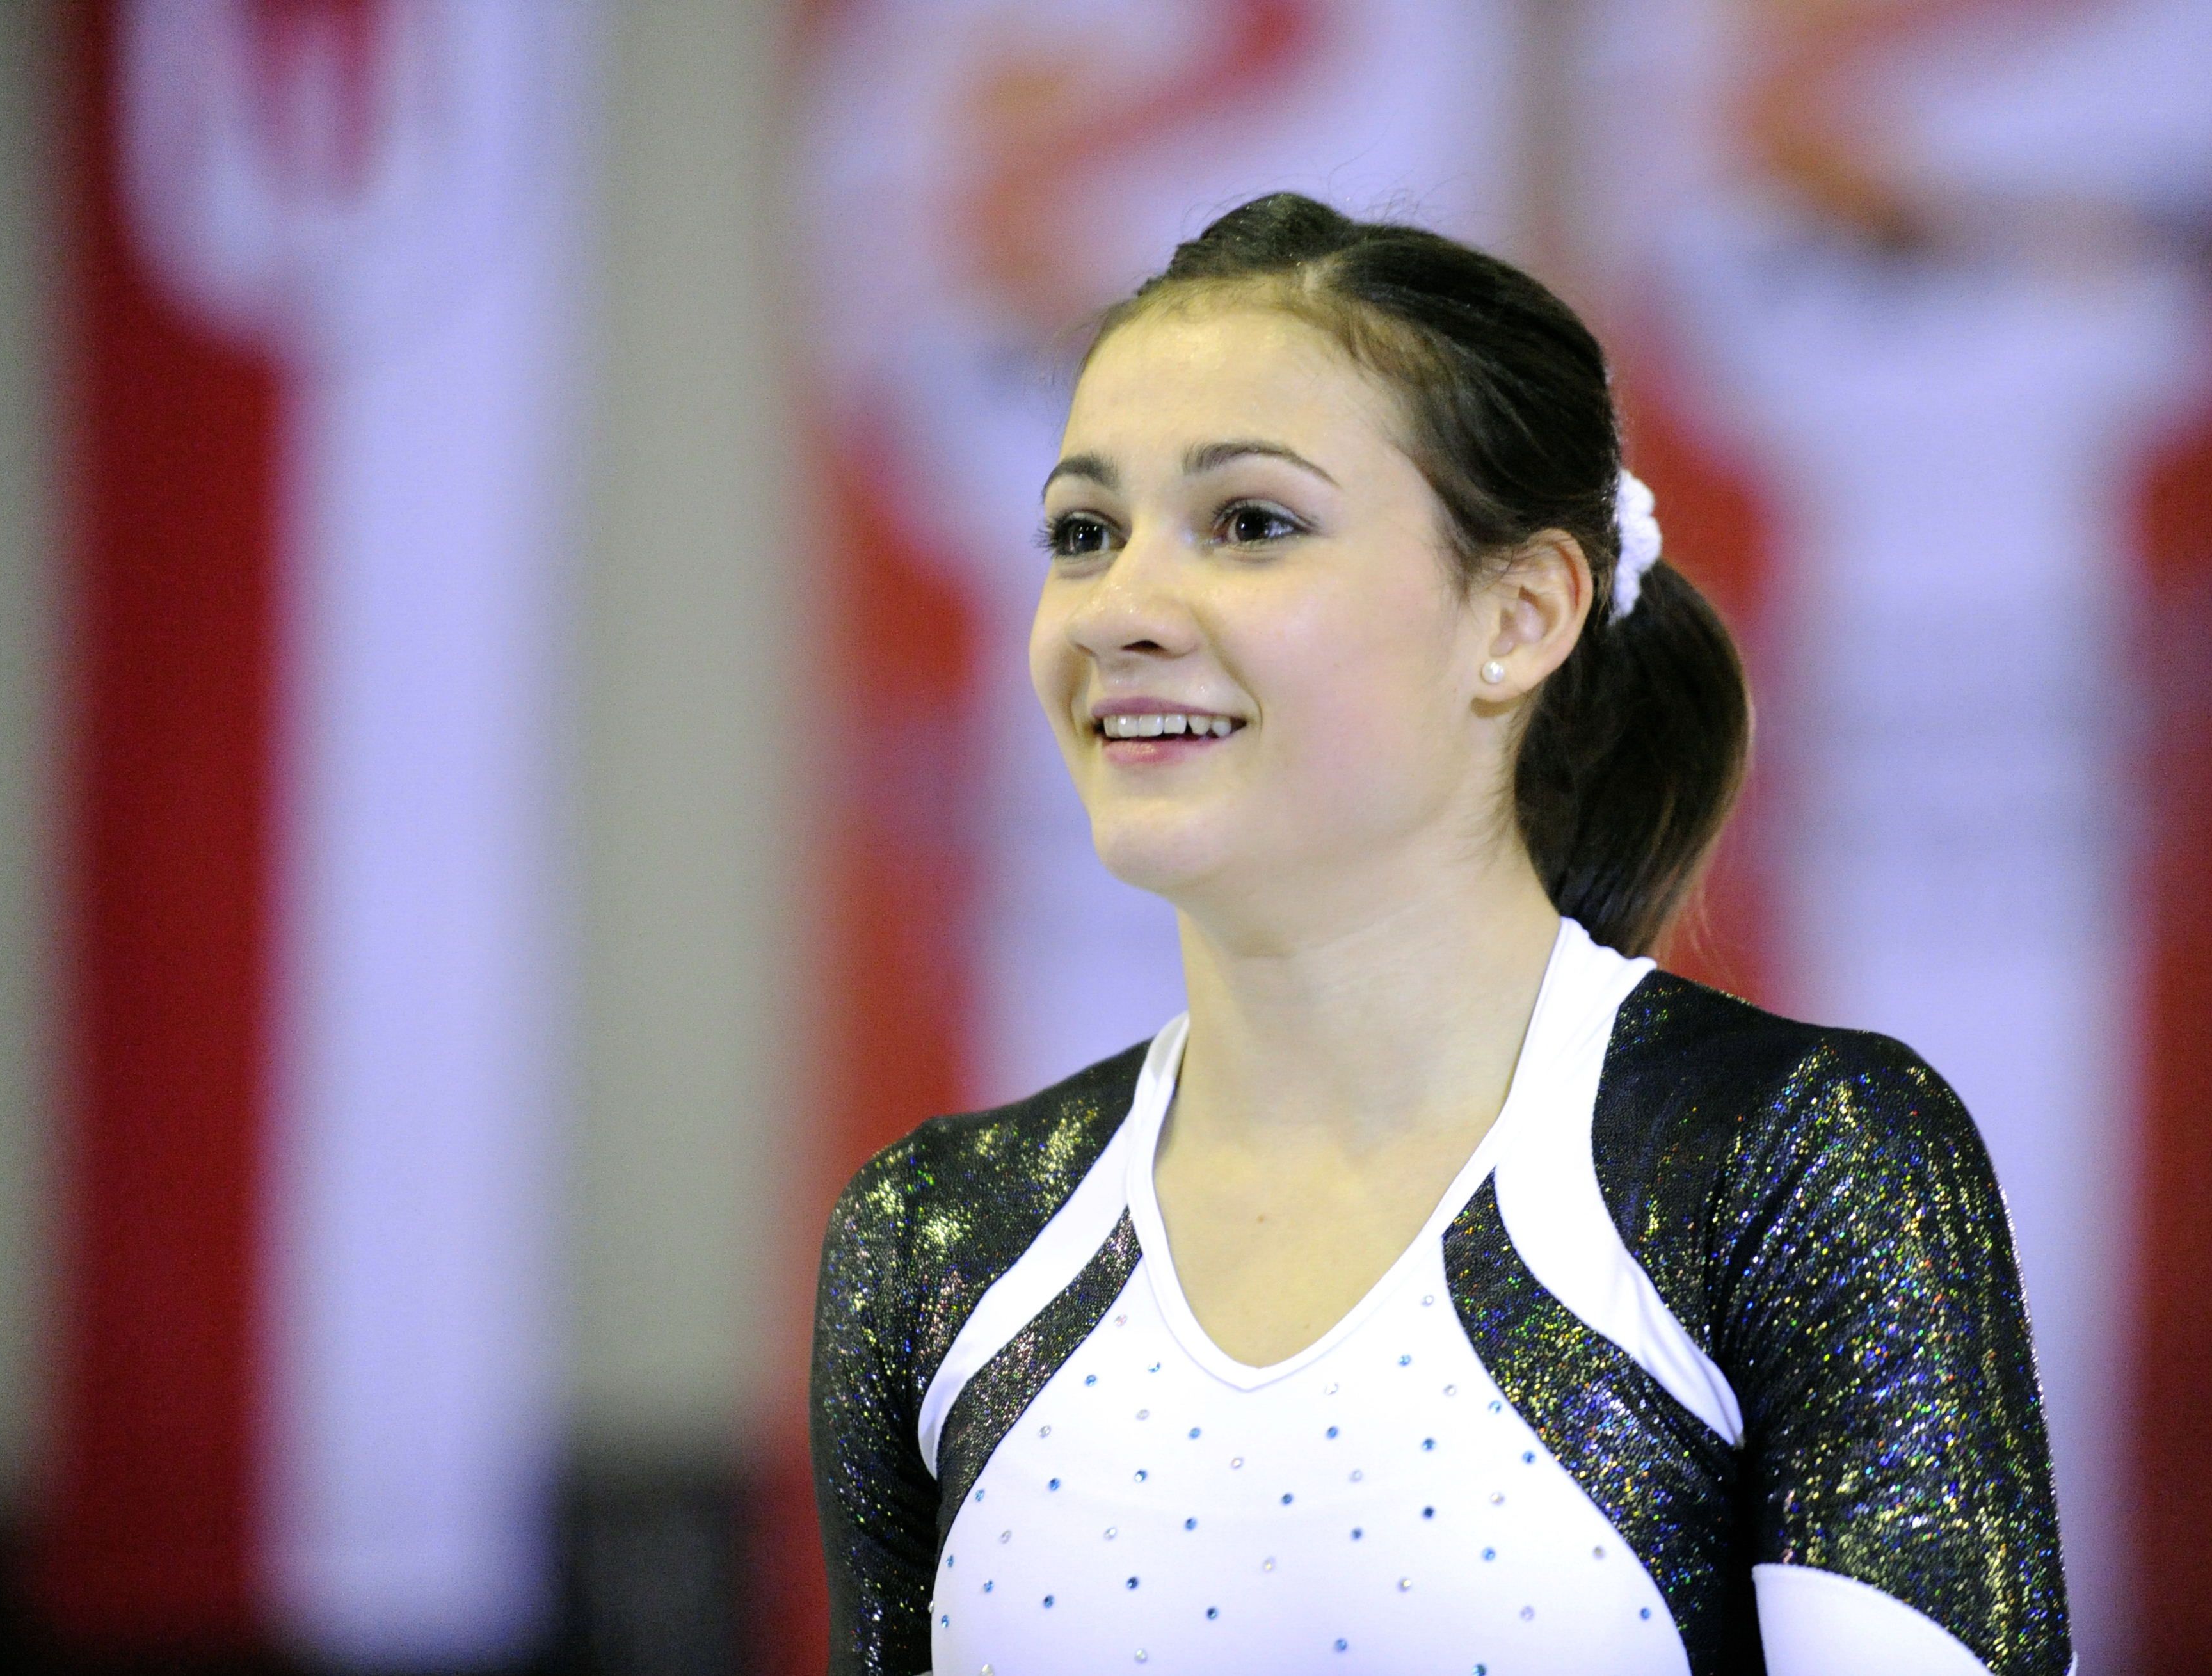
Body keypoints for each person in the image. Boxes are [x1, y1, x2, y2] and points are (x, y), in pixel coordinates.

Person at [810, 194, 2069, 1676]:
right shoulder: (939, 1235)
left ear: (1519, 614)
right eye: (1083, 532)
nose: (1116, 609)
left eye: (1251, 522)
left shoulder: (1791, 1157)